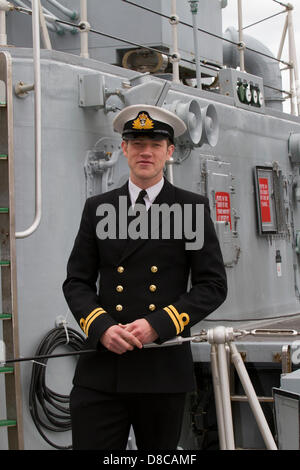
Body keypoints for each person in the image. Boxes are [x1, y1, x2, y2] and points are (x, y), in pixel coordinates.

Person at [62, 104, 227, 450]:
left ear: (169, 152)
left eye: (155, 144)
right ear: (124, 149)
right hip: (102, 370)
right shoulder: (98, 208)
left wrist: (159, 324)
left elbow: (212, 285)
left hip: (161, 367)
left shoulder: (190, 210)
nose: (145, 152)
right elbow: (77, 281)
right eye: (137, 143)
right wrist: (101, 326)